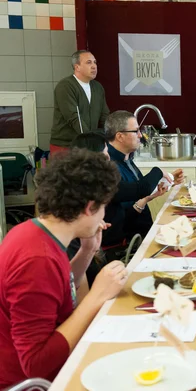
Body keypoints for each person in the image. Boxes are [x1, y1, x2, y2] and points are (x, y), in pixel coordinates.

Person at [0, 149, 127, 387]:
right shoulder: (37, 259)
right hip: (33, 382)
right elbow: (36, 363)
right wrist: (97, 296)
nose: (103, 214)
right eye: (103, 207)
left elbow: (58, 289)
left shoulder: (35, 231)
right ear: (90, 207)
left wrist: (87, 251)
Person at [68, 132, 168, 284]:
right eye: (106, 154)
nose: (109, 159)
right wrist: (159, 171)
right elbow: (144, 187)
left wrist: (147, 199)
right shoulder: (100, 185)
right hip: (111, 255)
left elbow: (120, 219)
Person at [104, 110, 184, 246]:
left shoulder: (127, 158)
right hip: (130, 243)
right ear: (120, 136)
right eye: (135, 131)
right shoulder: (110, 166)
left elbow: (138, 193)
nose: (140, 135)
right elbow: (123, 220)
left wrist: (162, 183)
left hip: (144, 234)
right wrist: (158, 172)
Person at [50, 50, 110, 156]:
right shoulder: (65, 86)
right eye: (89, 62)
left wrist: (111, 136)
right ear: (77, 67)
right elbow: (73, 118)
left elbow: (104, 115)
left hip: (90, 145)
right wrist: (92, 141)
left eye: (95, 62)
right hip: (66, 146)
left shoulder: (97, 87)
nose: (94, 66)